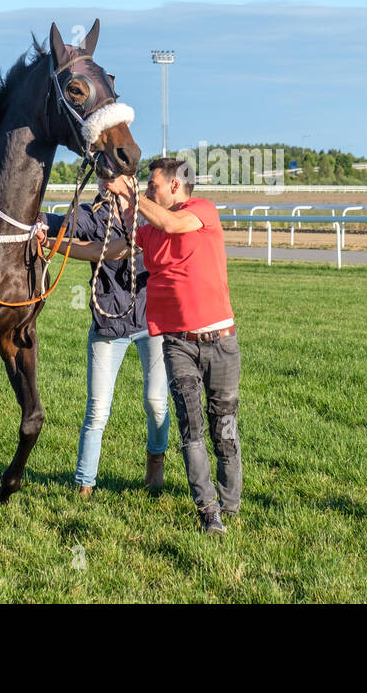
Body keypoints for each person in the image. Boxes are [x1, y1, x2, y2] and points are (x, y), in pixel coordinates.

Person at [102, 158, 240, 536]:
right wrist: (58, 245)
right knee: (191, 429)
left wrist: (129, 193)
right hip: (177, 343)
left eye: (152, 187)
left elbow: (172, 224)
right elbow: (112, 249)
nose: (148, 193)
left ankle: (231, 504)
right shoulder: (149, 231)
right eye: (145, 188)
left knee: (223, 427)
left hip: (222, 341)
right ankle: (208, 510)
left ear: (176, 187)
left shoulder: (200, 211)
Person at [36, 179, 169, 498]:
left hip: (152, 319)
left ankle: (156, 462)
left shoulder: (151, 212)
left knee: (156, 401)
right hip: (109, 324)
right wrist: (40, 225)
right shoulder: (92, 215)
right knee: (97, 408)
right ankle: (85, 484)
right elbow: (58, 222)